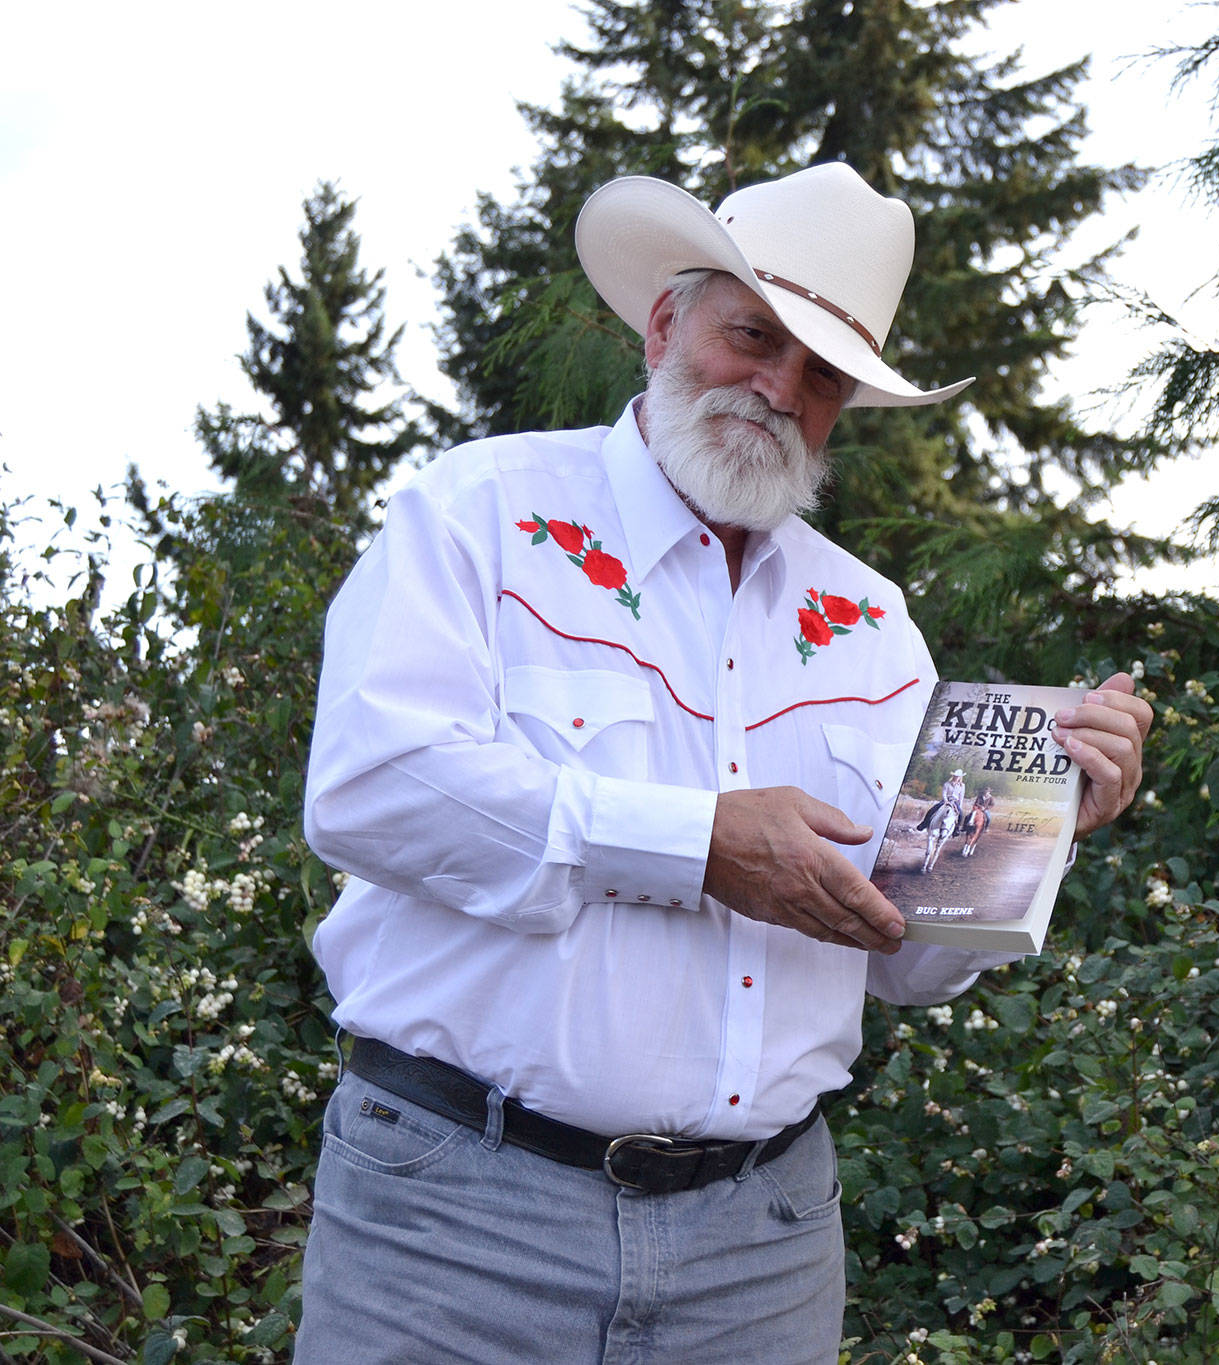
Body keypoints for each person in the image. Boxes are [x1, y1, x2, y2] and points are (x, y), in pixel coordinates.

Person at [293, 162, 1154, 1365]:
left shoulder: (871, 624)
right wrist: (699, 845)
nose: (777, 389)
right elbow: (368, 791)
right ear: (663, 321)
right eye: (753, 336)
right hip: (457, 1215)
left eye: (821, 374)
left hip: (762, 1245)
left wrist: (1031, 823)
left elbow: (905, 964)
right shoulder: (479, 516)